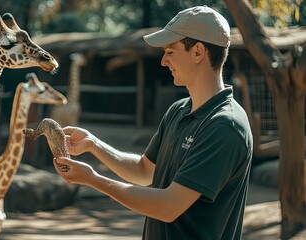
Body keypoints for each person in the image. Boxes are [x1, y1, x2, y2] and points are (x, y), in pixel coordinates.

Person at [54, 5, 253, 240]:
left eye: (170, 51)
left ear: (198, 52)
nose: (163, 61)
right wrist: (93, 144)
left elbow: (168, 206)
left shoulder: (224, 127)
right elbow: (144, 171)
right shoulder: (178, 110)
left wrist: (93, 180)